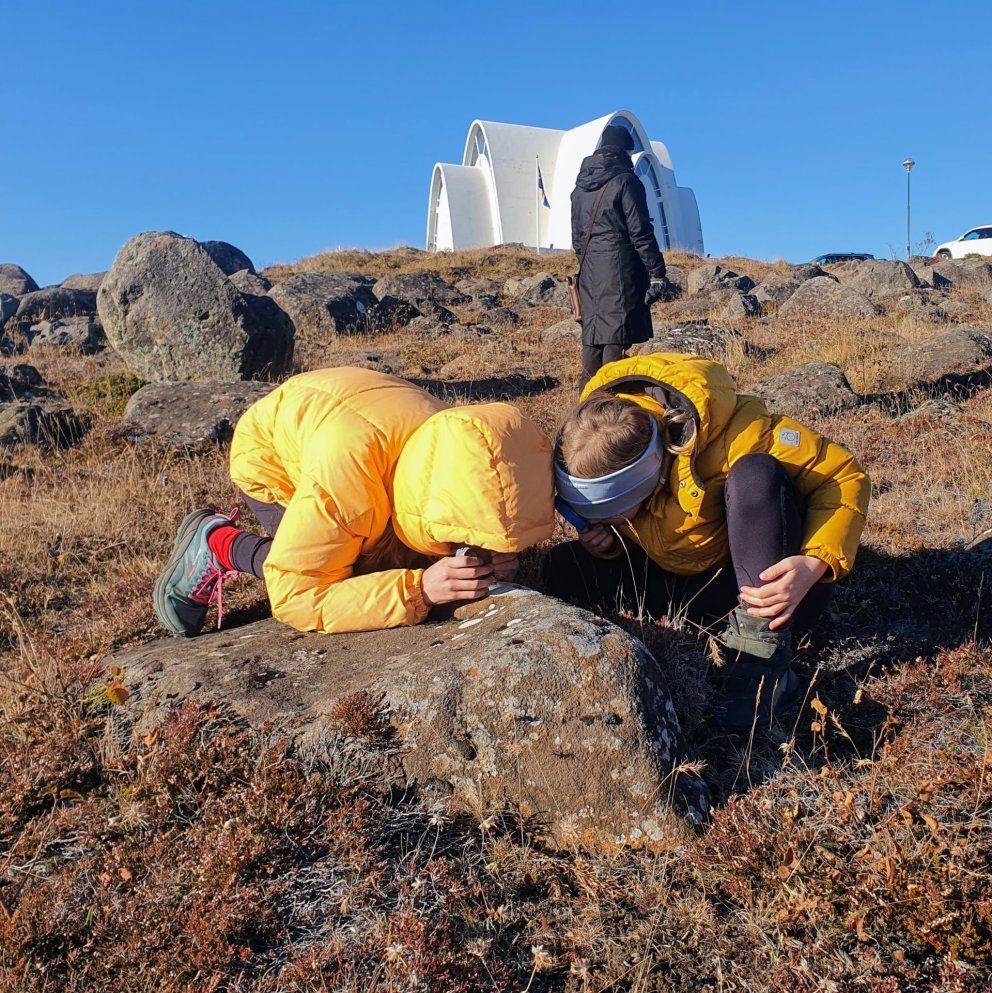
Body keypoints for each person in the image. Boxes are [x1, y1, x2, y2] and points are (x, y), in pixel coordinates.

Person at [546, 352, 870, 733]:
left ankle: (759, 662)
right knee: (561, 568)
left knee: (755, 476)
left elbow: (843, 476)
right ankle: (703, 631)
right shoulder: (588, 438)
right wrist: (611, 542)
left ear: (648, 476)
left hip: (770, 591)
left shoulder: (738, 432)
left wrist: (816, 562)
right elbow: (648, 526)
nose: (590, 522)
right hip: (684, 581)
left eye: (606, 512)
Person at [154, 366, 554, 637]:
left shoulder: (459, 440)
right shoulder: (345, 482)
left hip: (346, 412)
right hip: (269, 454)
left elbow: (481, 500)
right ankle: (216, 544)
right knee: (341, 576)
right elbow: (296, 595)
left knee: (382, 553)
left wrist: (496, 552)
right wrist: (421, 589)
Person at [571, 124, 669, 389]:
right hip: (620, 273)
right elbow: (641, 232)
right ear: (624, 151)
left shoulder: (579, 189)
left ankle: (584, 409)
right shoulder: (626, 181)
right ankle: (610, 407)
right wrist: (657, 273)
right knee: (615, 342)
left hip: (590, 273)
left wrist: (590, 264)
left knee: (592, 342)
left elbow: (578, 240)